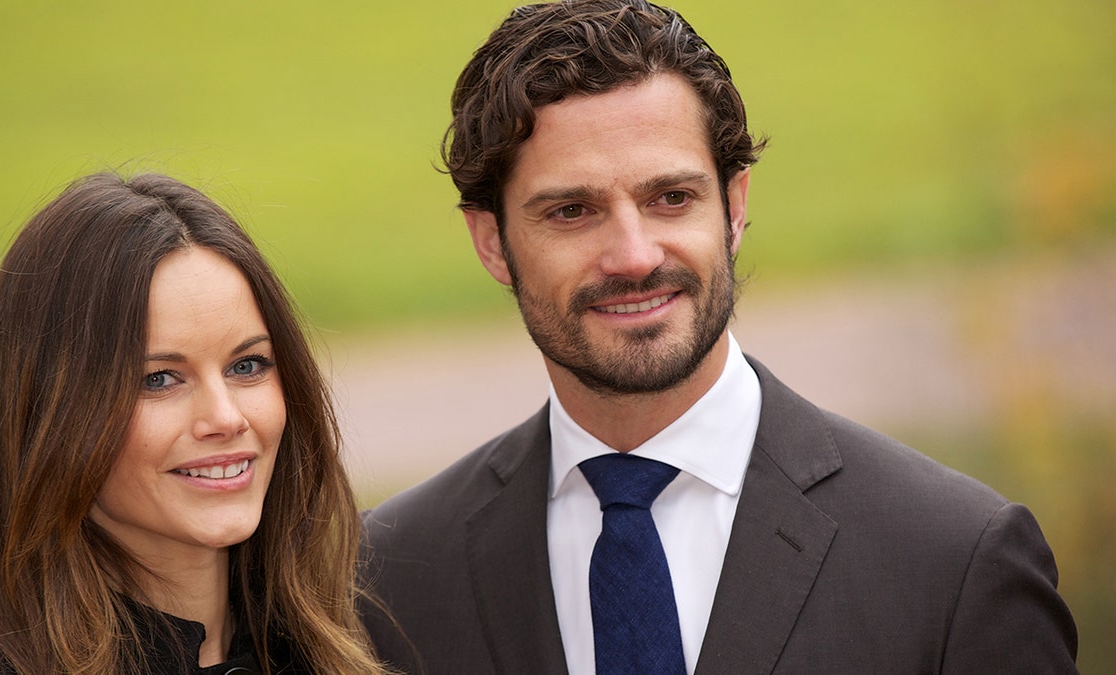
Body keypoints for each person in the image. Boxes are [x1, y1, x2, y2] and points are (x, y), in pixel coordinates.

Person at [358, 1, 1079, 673]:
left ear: (734, 207)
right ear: (491, 242)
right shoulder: (387, 578)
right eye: (573, 211)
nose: (635, 255)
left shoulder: (954, 558)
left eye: (671, 197)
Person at [0, 173, 386, 674]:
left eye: (247, 366)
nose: (225, 418)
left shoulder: (351, 642)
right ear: (52, 413)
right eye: (160, 379)